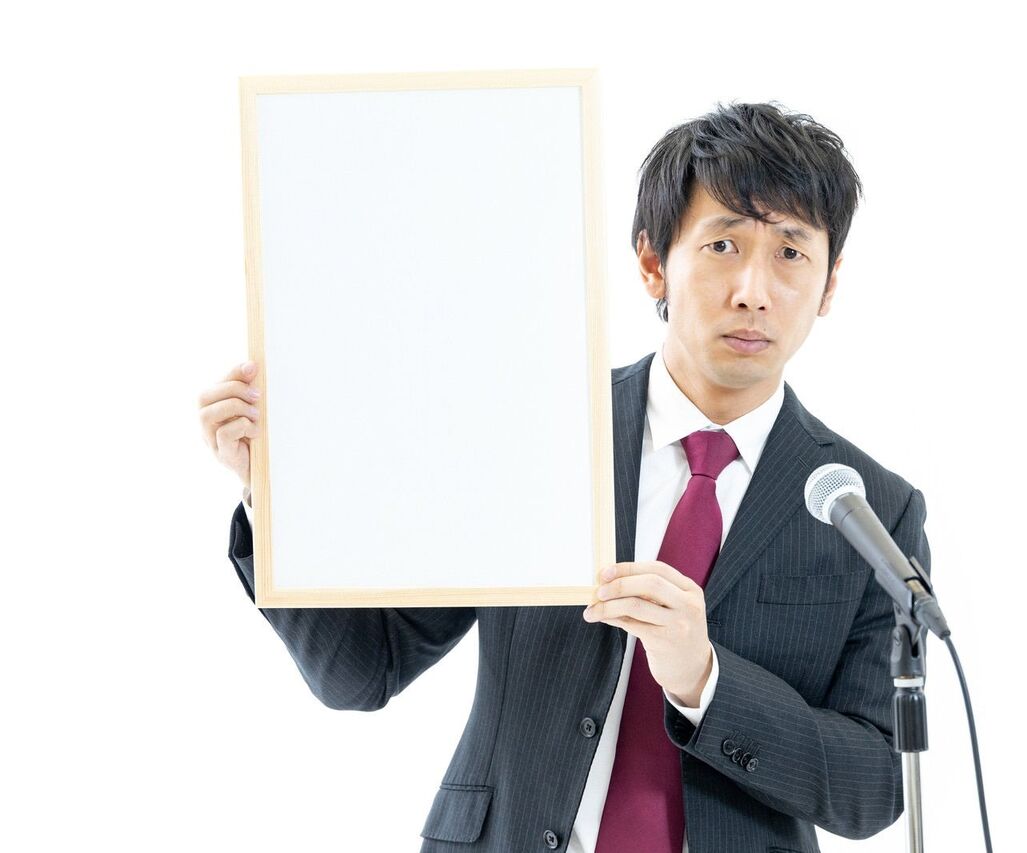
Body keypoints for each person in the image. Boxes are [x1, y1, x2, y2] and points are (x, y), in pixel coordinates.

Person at [196, 100, 931, 853]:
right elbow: (363, 670)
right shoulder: (534, 434)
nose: (753, 289)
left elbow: (874, 786)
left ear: (830, 284)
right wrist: (271, 499)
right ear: (653, 263)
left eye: (791, 253)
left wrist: (705, 680)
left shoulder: (867, 507)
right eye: (722, 244)